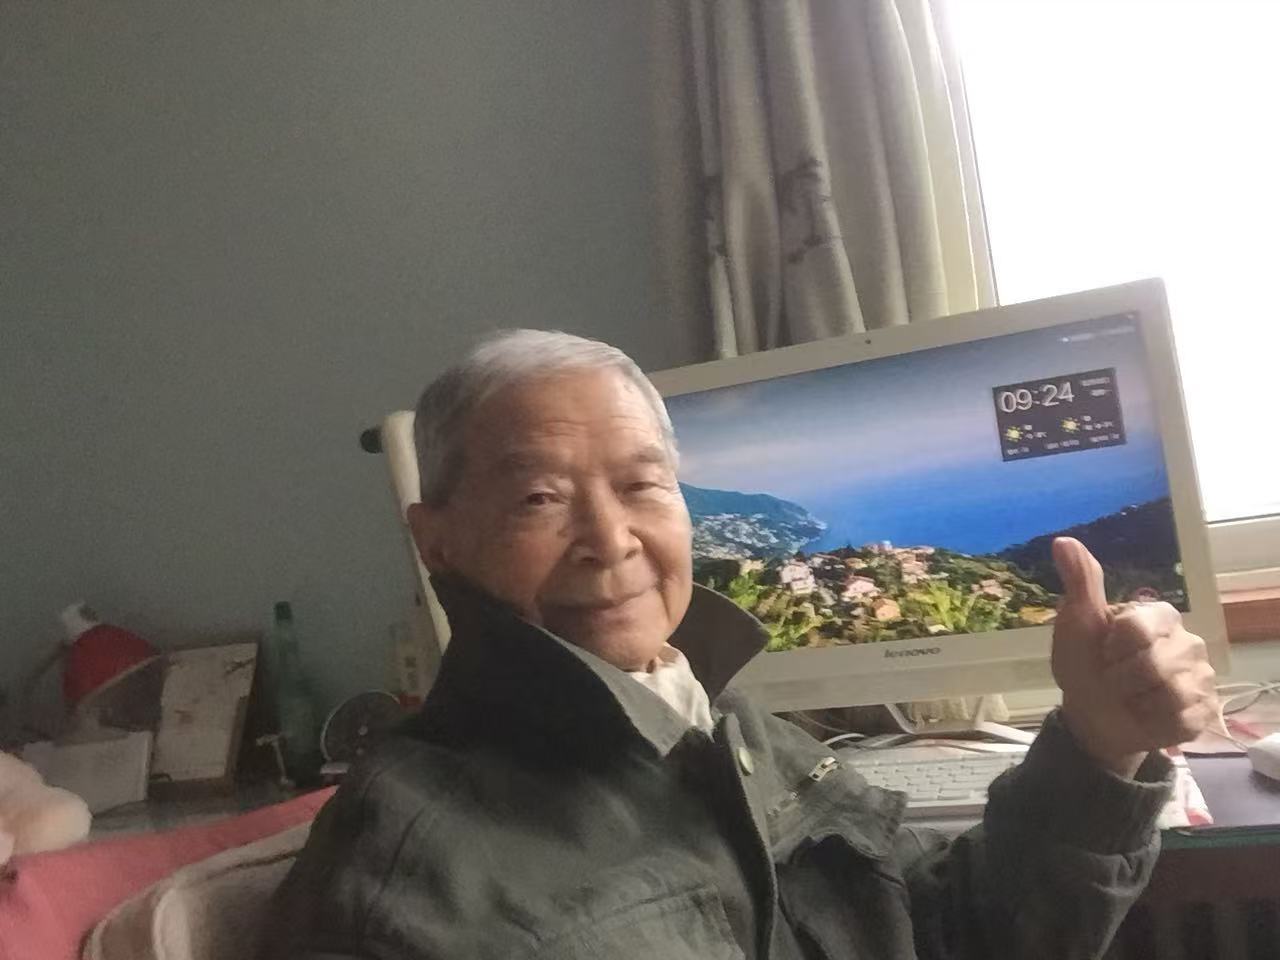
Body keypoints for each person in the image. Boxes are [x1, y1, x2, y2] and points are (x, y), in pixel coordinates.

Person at [262, 330, 1217, 960]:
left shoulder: (738, 734)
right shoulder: (412, 873)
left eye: (642, 485)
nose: (610, 540)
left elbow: (951, 934)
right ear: (437, 542)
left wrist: (1099, 744)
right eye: (539, 498)